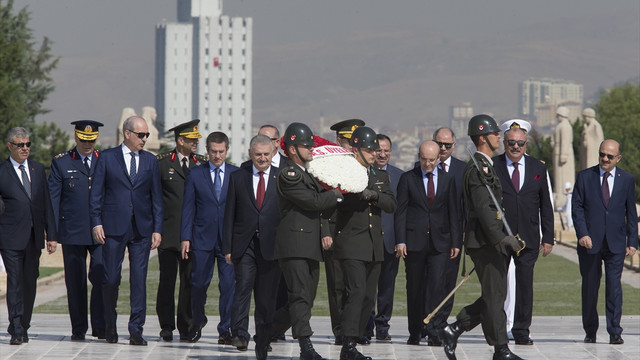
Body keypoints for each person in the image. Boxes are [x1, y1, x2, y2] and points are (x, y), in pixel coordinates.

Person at [440, 114, 524, 360]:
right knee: (496, 296)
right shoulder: (478, 166)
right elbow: (484, 208)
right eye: (495, 133)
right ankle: (501, 350)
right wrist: (501, 239)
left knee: (494, 295)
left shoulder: (484, 164)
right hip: (486, 242)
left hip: (490, 240)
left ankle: (454, 329)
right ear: (482, 137)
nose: (500, 136)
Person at [258, 122, 343, 360]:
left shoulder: (308, 173)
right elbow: (313, 203)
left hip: (311, 245)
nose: (311, 149)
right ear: (293, 149)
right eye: (307, 145)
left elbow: (319, 210)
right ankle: (306, 346)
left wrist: (325, 229)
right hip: (294, 244)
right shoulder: (290, 174)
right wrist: (338, 193)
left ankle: (265, 334)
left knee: (305, 299)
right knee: (299, 296)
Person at [90, 116, 163, 345]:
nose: (144, 139)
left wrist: (157, 228)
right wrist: (96, 222)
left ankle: (136, 330)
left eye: (147, 135)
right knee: (111, 278)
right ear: (127, 134)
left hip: (142, 228)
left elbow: (156, 198)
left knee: (139, 280)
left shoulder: (151, 161)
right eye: (141, 135)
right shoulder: (106, 158)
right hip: (112, 227)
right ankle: (110, 326)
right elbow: (96, 194)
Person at [333, 126, 397, 360]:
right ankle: (348, 344)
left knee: (369, 296)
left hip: (373, 245)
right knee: (356, 292)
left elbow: (391, 204)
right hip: (351, 242)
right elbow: (338, 202)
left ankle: (356, 336)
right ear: (357, 149)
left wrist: (375, 195)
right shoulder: (345, 173)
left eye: (376, 149)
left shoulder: (380, 176)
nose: (374, 153)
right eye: (370, 150)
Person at [492, 122, 554, 345]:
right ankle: (498, 331)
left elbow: (545, 205)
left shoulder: (538, 167)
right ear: (504, 144)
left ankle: (521, 331)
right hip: (501, 237)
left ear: (525, 144)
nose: (515, 147)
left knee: (525, 287)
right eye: (511, 143)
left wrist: (548, 237)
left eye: (520, 143)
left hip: (528, 237)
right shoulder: (493, 165)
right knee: (498, 287)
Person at [572, 139, 638, 345]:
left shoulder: (626, 180)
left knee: (614, 288)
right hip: (589, 243)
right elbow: (577, 208)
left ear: (618, 158)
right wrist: (582, 234)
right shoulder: (584, 177)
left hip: (616, 243)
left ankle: (615, 331)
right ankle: (590, 330)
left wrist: (633, 242)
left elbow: (630, 213)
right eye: (602, 154)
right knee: (590, 287)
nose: (605, 159)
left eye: (610, 156)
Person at [395, 140, 459, 346]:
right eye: (424, 159)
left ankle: (433, 331)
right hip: (414, 243)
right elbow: (400, 212)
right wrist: (400, 240)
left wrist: (455, 241)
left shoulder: (449, 180)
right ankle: (415, 331)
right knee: (414, 288)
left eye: (431, 160)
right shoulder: (408, 179)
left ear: (438, 158)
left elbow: (453, 212)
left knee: (436, 288)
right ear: (419, 156)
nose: (427, 164)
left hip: (440, 243)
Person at [222, 134, 282, 352]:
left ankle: (264, 338)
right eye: (258, 154)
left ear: (273, 153)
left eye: (266, 154)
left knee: (266, 295)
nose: (262, 158)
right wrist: (227, 248)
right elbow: (229, 214)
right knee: (243, 286)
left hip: (271, 246)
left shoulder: (281, 177)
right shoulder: (238, 177)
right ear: (250, 154)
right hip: (244, 244)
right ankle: (239, 333)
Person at [0, 127, 57, 345]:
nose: (25, 148)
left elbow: (46, 203)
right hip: (10, 236)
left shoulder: (38, 169)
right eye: (20, 145)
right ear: (10, 146)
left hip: (34, 237)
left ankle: (24, 324)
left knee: (30, 281)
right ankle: (15, 327)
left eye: (28, 144)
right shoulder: (2, 171)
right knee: (15, 281)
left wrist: (51, 235)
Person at [49, 120, 105, 341]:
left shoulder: (104, 161)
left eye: (91, 140)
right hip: (72, 231)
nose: (87, 144)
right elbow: (54, 200)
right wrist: (52, 234)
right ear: (75, 137)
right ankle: (78, 328)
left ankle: (100, 326)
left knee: (102, 277)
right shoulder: (61, 163)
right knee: (75, 282)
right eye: (83, 139)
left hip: (100, 231)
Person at [180, 131, 238, 344]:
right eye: (213, 151)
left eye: (221, 151)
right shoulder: (196, 174)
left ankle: (225, 329)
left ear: (227, 150)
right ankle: (197, 323)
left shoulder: (236, 174)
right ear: (207, 150)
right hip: (201, 238)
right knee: (198, 284)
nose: (217, 156)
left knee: (228, 285)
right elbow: (188, 208)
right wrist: (185, 237)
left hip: (228, 241)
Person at [155, 119, 206, 341]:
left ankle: (187, 325)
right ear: (180, 140)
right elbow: (155, 199)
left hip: (193, 234)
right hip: (168, 232)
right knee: (167, 280)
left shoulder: (201, 163)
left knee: (190, 280)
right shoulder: (163, 163)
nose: (195, 143)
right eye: (192, 140)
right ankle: (166, 325)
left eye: (196, 139)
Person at [326, 118, 366, 345]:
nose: (350, 146)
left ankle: (355, 328)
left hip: (357, 232)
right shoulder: (328, 165)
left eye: (354, 141)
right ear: (338, 140)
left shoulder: (362, 165)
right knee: (337, 284)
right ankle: (340, 329)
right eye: (347, 141)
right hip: (334, 230)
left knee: (358, 285)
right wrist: (325, 231)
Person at [430, 127, 466, 346]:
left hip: (453, 238)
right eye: (439, 144)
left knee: (448, 284)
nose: (443, 148)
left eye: (447, 145)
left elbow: (467, 205)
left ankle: (441, 324)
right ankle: (429, 325)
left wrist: (462, 233)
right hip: (429, 238)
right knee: (431, 284)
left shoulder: (463, 169)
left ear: (454, 145)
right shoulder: (422, 166)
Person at [371, 134, 403, 342]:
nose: (382, 154)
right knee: (365, 287)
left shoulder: (400, 176)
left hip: (391, 240)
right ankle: (364, 326)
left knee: (387, 287)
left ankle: (382, 326)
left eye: (386, 150)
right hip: (368, 239)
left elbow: (402, 213)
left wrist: (401, 240)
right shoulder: (362, 173)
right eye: (379, 150)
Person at [551, 106, 575, 208]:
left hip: (563, 154)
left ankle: (563, 197)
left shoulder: (564, 126)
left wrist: (563, 154)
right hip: (558, 152)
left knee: (563, 176)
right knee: (558, 177)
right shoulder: (561, 126)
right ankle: (559, 195)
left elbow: (565, 141)